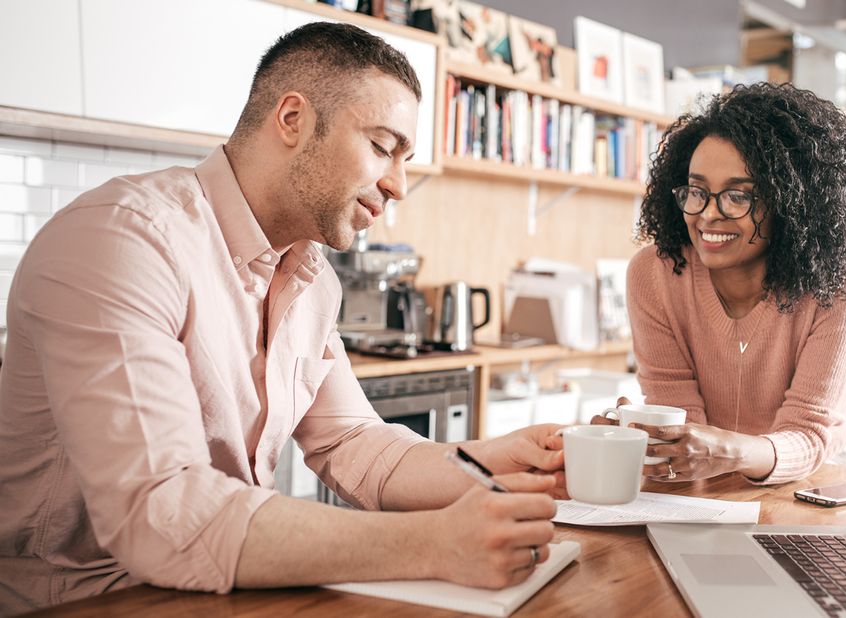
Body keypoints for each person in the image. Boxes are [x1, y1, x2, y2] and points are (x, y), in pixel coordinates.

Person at [0, 23, 566, 613]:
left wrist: (503, 459)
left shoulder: (311, 277)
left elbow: (356, 444)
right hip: (80, 601)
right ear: (292, 120)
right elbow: (160, 512)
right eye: (381, 147)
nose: (398, 185)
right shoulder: (123, 239)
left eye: (405, 159)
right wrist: (435, 543)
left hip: (224, 587)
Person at [595, 83, 846, 485]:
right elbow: (683, 429)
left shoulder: (837, 283)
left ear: (792, 202)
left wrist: (725, 452)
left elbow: (807, 434)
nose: (708, 215)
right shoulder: (654, 275)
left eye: (737, 196)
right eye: (697, 191)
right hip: (717, 476)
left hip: (824, 472)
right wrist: (649, 437)